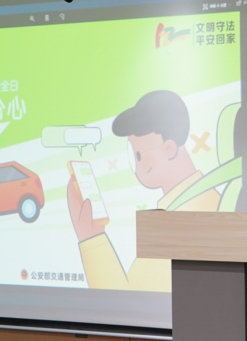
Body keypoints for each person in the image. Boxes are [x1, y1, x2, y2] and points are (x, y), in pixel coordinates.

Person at [70, 89, 220, 290]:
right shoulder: (211, 198)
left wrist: (90, 237)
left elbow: (126, 300)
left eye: (138, 155)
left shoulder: (177, 220)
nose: (136, 165)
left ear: (169, 149)